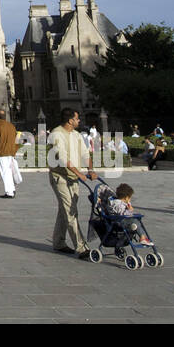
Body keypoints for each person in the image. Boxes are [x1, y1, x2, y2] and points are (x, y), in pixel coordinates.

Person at [48, 109, 95, 258]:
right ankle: (81, 247)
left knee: (66, 209)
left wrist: (90, 169)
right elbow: (62, 158)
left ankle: (58, 242)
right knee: (71, 211)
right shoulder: (56, 134)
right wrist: (79, 173)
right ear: (70, 121)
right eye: (77, 118)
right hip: (60, 177)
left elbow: (85, 154)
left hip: (74, 177)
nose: (79, 121)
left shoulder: (76, 135)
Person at [0, 109, 20, 198]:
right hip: (10, 152)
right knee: (8, 172)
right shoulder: (11, 126)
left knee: (5, 172)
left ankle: (9, 192)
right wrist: (14, 151)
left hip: (2, 152)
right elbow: (16, 140)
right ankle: (12, 189)